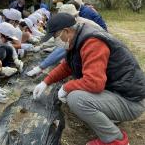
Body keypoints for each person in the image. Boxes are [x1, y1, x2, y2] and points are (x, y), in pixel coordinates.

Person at [33, 13, 145, 145]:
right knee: (77, 93)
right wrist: (45, 82)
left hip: (131, 102)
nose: (55, 40)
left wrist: (66, 88)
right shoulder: (78, 38)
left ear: (66, 31)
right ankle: (109, 117)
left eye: (55, 36)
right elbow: (67, 66)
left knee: (76, 99)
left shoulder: (92, 42)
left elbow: (94, 83)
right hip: (119, 93)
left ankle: (115, 139)